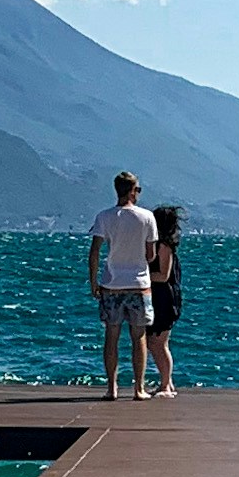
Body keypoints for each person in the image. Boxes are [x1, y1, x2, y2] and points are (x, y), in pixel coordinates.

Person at [88, 171, 159, 401]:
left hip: (112, 284)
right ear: (131, 191)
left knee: (111, 335)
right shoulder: (147, 217)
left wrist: (93, 282)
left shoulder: (104, 217)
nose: (138, 194)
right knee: (138, 337)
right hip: (139, 284)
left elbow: (95, 251)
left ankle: (112, 388)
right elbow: (150, 255)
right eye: (138, 190)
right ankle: (138, 388)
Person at [146, 205, 185, 396]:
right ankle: (166, 383)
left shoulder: (164, 246)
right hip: (158, 297)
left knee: (159, 342)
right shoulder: (159, 244)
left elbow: (163, 275)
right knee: (154, 342)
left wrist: (142, 276)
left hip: (164, 298)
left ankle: (165, 384)